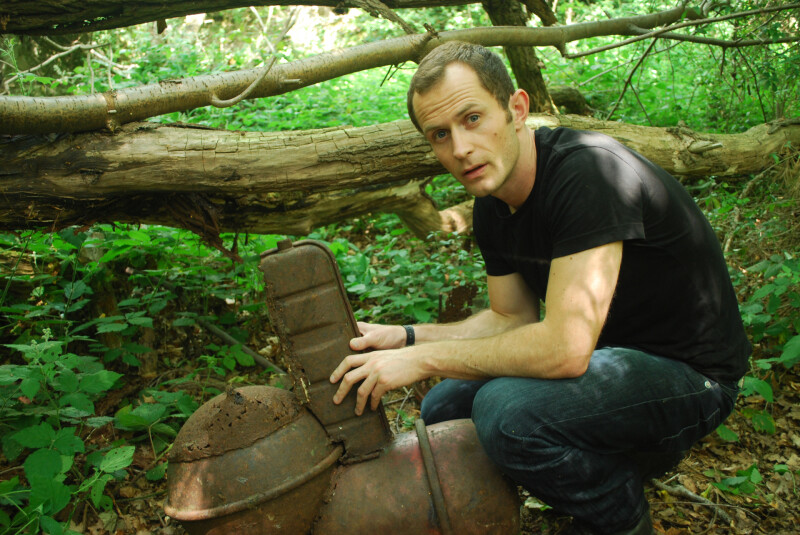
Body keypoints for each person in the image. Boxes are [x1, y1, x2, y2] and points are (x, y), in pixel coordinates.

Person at [330, 41, 750, 535]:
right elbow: (510, 319)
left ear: (516, 109)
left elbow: (564, 350)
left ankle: (619, 517)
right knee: (446, 406)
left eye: (472, 119)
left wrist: (423, 361)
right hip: (611, 363)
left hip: (693, 377)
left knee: (505, 413)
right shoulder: (492, 204)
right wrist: (406, 338)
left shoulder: (586, 172)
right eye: (440, 134)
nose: (460, 148)